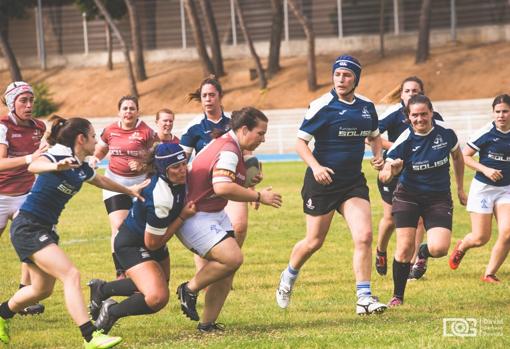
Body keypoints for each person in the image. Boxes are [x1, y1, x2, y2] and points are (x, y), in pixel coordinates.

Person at [0, 115, 148, 347]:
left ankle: (2, 315)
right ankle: (91, 336)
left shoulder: (79, 164)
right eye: (93, 136)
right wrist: (54, 166)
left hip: (44, 228)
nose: (97, 141)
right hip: (28, 227)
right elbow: (33, 165)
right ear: (81, 139)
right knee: (71, 274)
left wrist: (130, 190)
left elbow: (100, 181)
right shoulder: (59, 153)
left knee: (41, 289)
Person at [275, 55, 387, 315]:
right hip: (322, 183)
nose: (341, 79)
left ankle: (364, 298)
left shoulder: (367, 107)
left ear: (356, 79)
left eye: (347, 75)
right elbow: (300, 143)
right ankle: (288, 277)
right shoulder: (322, 105)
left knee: (365, 236)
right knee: (314, 241)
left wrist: (378, 155)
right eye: (337, 74)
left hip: (352, 183)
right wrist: (316, 167)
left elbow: (375, 136)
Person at [175, 107, 282, 332]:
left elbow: (221, 182)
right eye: (260, 133)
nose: (263, 138)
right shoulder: (229, 149)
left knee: (228, 269)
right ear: (244, 130)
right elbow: (222, 186)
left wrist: (248, 183)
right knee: (232, 259)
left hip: (212, 212)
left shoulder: (233, 146)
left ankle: (207, 325)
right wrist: (259, 195)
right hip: (196, 214)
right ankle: (189, 289)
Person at [85, 143, 196, 334]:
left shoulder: (176, 178)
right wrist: (182, 217)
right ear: (163, 169)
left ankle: (102, 289)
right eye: (176, 167)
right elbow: (152, 243)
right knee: (157, 297)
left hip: (151, 237)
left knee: (159, 283)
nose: (183, 170)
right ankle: (111, 311)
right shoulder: (161, 197)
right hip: (133, 244)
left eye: (184, 164)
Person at [379, 94, 466, 307]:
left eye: (423, 114)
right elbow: (384, 174)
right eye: (415, 116)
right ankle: (398, 296)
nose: (420, 119)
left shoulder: (446, 134)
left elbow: (457, 157)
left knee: (439, 249)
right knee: (404, 247)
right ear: (409, 117)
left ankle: (424, 252)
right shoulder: (404, 140)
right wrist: (392, 170)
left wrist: (460, 188)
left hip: (438, 198)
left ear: (431, 113)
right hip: (408, 197)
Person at [180, 77, 252, 285]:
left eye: (212, 95)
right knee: (205, 232)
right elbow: (182, 162)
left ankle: (224, 268)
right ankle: (208, 274)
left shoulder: (234, 124)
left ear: (220, 97)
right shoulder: (193, 127)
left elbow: (247, 155)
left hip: (232, 182)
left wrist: (252, 181)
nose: (208, 99)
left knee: (239, 226)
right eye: (204, 96)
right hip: (204, 188)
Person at [374, 76, 444, 279]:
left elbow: (442, 140)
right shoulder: (395, 113)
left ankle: (412, 264)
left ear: (422, 94)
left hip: (418, 175)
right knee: (390, 218)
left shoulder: (432, 115)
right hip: (392, 171)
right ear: (401, 94)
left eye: (416, 91)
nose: (411, 94)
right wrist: (396, 147)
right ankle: (381, 250)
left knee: (420, 219)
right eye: (407, 91)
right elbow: (370, 134)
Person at [89, 96, 155, 278]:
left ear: (137, 111)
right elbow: (101, 150)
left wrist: (143, 165)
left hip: (139, 185)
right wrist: (95, 158)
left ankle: (141, 265)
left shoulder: (146, 132)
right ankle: (120, 271)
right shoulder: (110, 130)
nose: (128, 112)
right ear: (119, 112)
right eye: (125, 108)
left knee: (140, 227)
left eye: (132, 108)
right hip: (114, 183)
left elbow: (155, 158)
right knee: (118, 225)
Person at [449, 94, 510, 283]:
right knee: (480, 238)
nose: (501, 115)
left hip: (506, 189)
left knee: (508, 232)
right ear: (493, 113)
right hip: (483, 189)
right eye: (498, 112)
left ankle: (489, 274)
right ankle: (462, 247)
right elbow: (464, 156)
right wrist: (486, 169)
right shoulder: (486, 132)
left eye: (505, 111)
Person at [0, 82, 47, 316]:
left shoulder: (39, 127)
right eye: (23, 101)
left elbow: (41, 160)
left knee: (30, 245)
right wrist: (30, 158)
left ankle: (23, 295)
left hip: (25, 195)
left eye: (31, 100)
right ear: (11, 103)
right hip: (1, 195)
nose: (29, 105)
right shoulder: (2, 126)